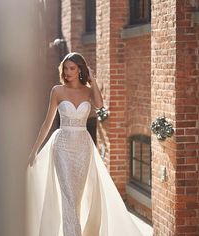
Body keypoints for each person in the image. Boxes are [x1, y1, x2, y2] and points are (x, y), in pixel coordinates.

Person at [26, 52, 143, 236]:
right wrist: (34, 150)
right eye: (65, 68)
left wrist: (93, 80)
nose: (67, 72)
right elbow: (47, 123)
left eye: (72, 68)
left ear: (80, 69)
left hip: (83, 146)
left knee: (77, 198)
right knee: (69, 197)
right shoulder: (57, 90)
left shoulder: (88, 91)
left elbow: (100, 105)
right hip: (62, 146)